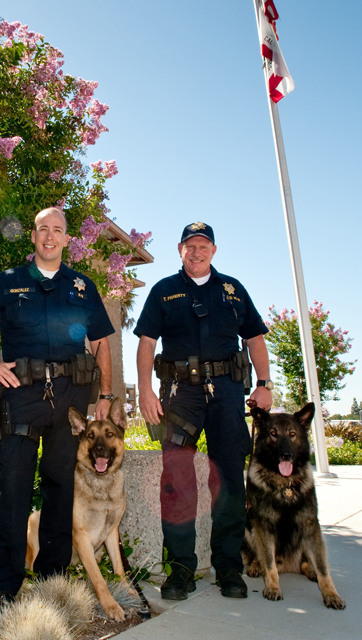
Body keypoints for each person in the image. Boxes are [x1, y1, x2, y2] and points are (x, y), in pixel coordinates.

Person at [0, 207, 116, 607]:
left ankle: (52, 582)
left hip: (72, 400)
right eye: (43, 229)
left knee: (61, 489)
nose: (49, 236)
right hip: (21, 396)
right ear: (33, 236)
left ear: (66, 239)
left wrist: (107, 396)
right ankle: (5, 587)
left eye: (57, 230)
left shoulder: (82, 285)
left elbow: (100, 343)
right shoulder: (7, 282)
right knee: (12, 490)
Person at [134, 222, 273, 600]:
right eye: (190, 246)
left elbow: (255, 337)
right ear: (179, 249)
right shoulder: (163, 291)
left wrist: (264, 384)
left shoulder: (233, 289)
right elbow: (147, 342)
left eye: (203, 246)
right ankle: (180, 571)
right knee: (176, 480)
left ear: (214, 250)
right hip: (179, 394)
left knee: (229, 478)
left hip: (228, 391)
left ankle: (229, 568)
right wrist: (145, 390)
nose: (196, 252)